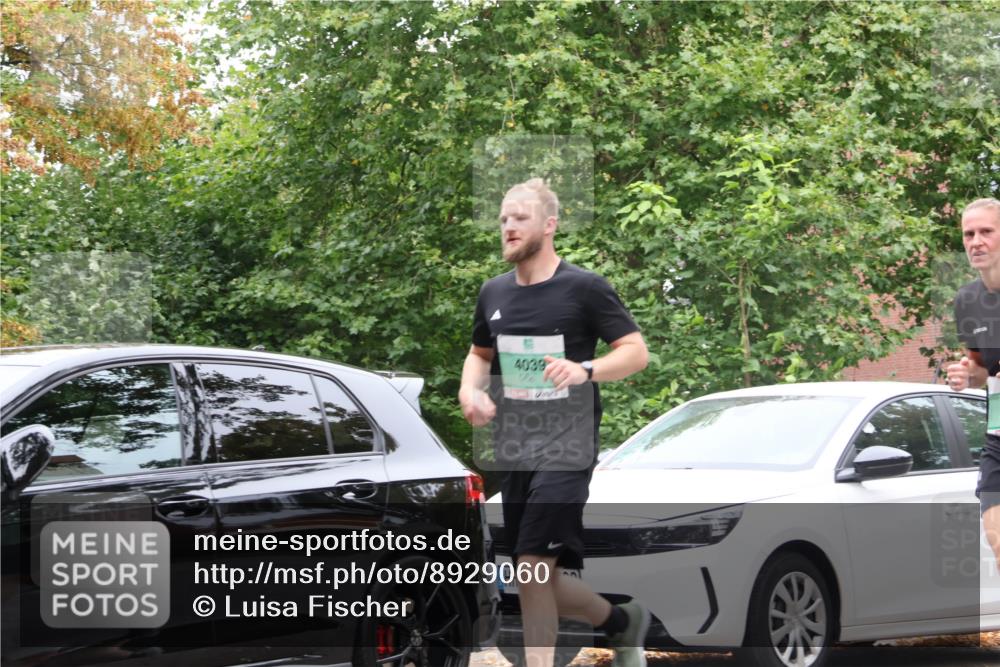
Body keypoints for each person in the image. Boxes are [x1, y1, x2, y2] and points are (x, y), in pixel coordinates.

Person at [459, 178, 650, 667]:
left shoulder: (583, 288)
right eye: (503, 218)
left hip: (568, 446)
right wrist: (469, 390)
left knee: (532, 567)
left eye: (519, 218)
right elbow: (479, 354)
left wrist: (585, 370)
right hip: (515, 448)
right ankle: (620, 622)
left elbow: (635, 353)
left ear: (549, 225)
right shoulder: (493, 293)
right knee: (535, 575)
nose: (508, 226)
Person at [945, 197, 1000, 569]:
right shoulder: (967, 300)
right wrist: (968, 372)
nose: (976, 241)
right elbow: (983, 367)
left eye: (986, 232)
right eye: (969, 234)